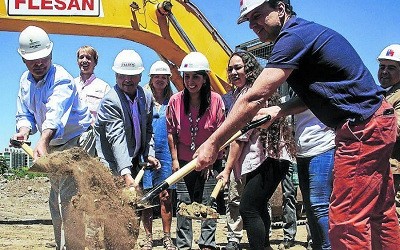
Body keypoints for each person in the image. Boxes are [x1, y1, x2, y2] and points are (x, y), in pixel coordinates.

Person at [195, 1, 400, 249]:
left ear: (280, 9)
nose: (252, 25)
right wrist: (280, 110)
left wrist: (213, 143)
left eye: (258, 16)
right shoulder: (304, 35)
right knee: (380, 213)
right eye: (248, 20)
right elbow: (318, 94)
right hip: (375, 121)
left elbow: (252, 97)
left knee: (347, 221)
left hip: (361, 129)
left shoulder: (292, 37)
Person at [12, 25, 95, 249]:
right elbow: (25, 114)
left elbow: (55, 113)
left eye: (43, 57)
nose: (39, 63)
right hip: (53, 144)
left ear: (50, 53)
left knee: (69, 200)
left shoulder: (62, 79)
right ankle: (63, 245)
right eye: (33, 60)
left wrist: (43, 139)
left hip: (77, 141)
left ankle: (75, 247)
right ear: (23, 60)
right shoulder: (24, 82)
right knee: (55, 200)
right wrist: (24, 131)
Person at [217, 51, 296, 250]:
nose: (234, 72)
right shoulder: (241, 94)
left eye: (238, 67)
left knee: (248, 206)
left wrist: (226, 171)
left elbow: (239, 138)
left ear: (249, 69)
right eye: (231, 69)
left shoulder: (251, 94)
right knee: (258, 205)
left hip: (270, 158)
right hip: (265, 158)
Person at [94, 49, 160, 249]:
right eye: (122, 76)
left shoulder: (145, 96)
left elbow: (148, 129)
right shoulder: (110, 101)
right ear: (115, 76)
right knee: (115, 210)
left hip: (133, 161)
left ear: (140, 76)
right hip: (112, 164)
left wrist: (148, 153)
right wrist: (124, 173)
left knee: (132, 211)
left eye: (132, 76)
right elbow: (117, 138)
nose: (127, 80)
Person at [166, 52, 226, 250]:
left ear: (204, 78)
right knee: (183, 204)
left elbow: (221, 133)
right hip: (184, 163)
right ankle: (183, 245)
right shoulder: (175, 101)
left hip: (210, 162)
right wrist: (175, 160)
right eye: (187, 76)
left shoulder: (216, 101)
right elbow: (171, 132)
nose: (191, 81)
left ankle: (207, 244)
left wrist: (213, 160)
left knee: (209, 203)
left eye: (196, 77)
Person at [293, 92, 335, 249]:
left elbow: (305, 100)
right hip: (302, 151)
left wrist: (278, 109)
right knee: (310, 207)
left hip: (323, 147)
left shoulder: (316, 79)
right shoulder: (291, 83)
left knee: (319, 204)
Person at [142, 60, 176, 250]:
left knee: (165, 196)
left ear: (168, 79)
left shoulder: (173, 101)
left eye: (164, 77)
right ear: (151, 78)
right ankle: (148, 236)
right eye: (157, 77)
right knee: (146, 197)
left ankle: (166, 237)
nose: (160, 80)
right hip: (146, 153)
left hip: (166, 154)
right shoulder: (143, 99)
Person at [377, 44, 400, 199]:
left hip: (394, 170)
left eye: (391, 68)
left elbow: (394, 128)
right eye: (382, 66)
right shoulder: (378, 93)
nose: (384, 72)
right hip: (380, 167)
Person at [74, 45, 111, 123]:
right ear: (77, 61)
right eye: (81, 57)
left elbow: (109, 116)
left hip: (95, 133)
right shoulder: (70, 85)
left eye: (88, 58)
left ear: (95, 62)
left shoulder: (104, 88)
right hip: (71, 134)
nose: (84, 60)